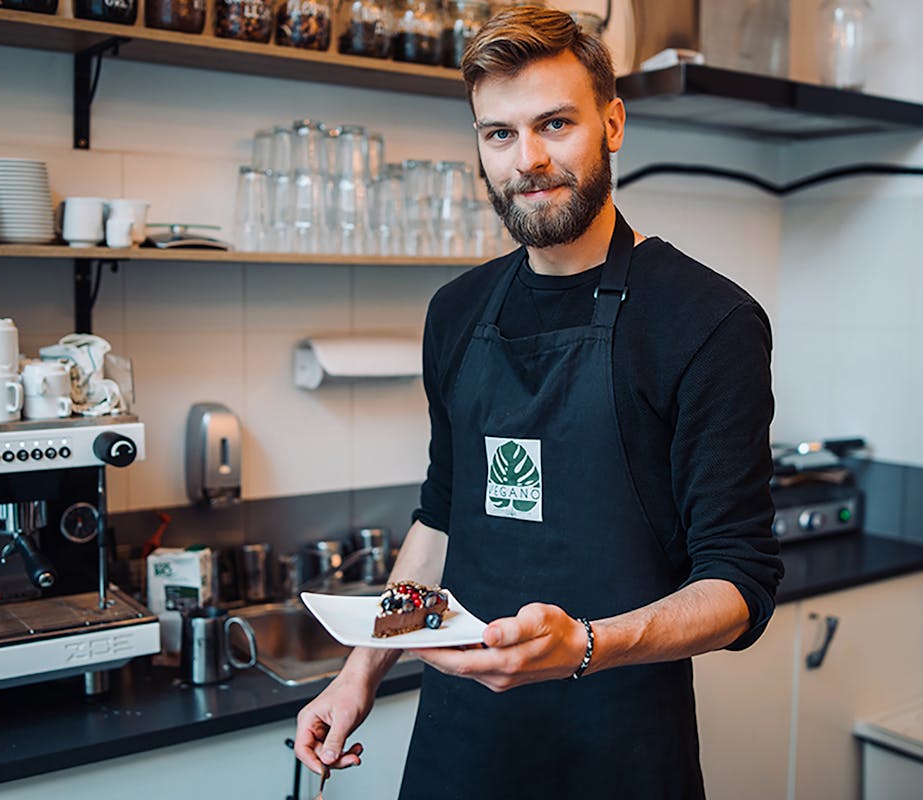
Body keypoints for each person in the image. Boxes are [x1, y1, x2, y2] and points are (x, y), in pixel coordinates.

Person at [295, 7, 784, 798]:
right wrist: (360, 675)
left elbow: (739, 584)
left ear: (612, 123)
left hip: (621, 747)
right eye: (500, 134)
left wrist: (584, 645)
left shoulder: (708, 321)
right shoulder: (456, 312)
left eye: (555, 123)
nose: (529, 160)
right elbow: (440, 521)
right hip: (461, 741)